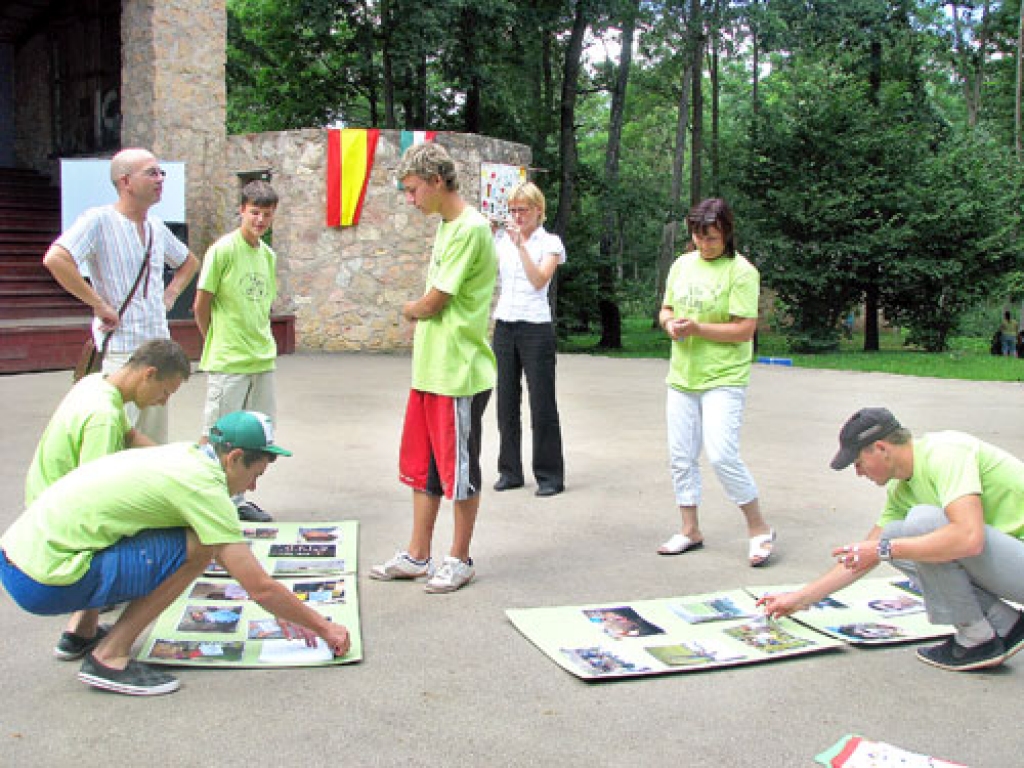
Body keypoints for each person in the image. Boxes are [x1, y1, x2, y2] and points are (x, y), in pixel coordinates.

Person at [0, 411, 351, 696]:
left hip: (16, 557)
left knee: (136, 528)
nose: (253, 487)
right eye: (255, 474)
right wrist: (325, 628)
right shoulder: (205, 488)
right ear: (234, 458)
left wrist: (284, 610)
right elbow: (258, 586)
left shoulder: (183, 456)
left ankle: (82, 632)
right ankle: (109, 656)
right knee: (201, 546)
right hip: (44, 581)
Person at [759, 407, 1024, 672]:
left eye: (858, 463)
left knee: (918, 525)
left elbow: (969, 538)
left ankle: (977, 640)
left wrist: (885, 549)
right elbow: (861, 557)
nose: (859, 473)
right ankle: (1003, 624)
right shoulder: (901, 490)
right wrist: (798, 599)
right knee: (896, 535)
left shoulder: (946, 452)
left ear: (881, 448)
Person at [369, 142, 497, 594]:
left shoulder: (470, 229)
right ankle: (417, 554)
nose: (410, 199)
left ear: (438, 182)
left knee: (459, 469)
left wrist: (408, 309)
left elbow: (435, 300)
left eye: (413, 190)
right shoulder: (446, 225)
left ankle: (459, 558)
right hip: (431, 371)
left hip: (459, 372)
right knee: (425, 469)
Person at [23, 338, 191, 661]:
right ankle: (88, 634)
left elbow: (130, 436)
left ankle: (82, 630)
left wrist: (178, 459)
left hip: (45, 499)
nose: (162, 402)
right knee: (177, 538)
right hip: (59, 521)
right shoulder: (103, 416)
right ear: (149, 374)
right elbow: (96, 498)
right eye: (165, 392)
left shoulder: (96, 385)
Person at [42, 147, 199, 443]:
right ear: (125, 181)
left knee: (153, 441)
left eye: (161, 172)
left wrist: (172, 292)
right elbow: (56, 259)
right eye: (151, 173)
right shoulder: (98, 221)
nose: (160, 179)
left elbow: (189, 262)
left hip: (158, 347)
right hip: (123, 354)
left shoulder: (155, 227)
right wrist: (98, 304)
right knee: (118, 439)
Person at [655, 198, 775, 566]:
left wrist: (698, 329)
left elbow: (744, 330)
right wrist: (669, 324)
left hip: (724, 377)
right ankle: (690, 529)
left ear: (726, 234)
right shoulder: (682, 265)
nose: (704, 244)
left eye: (712, 238)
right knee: (681, 456)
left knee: (722, 454)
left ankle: (759, 529)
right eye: (698, 236)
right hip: (683, 377)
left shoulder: (741, 272)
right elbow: (666, 309)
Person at [194, 180, 281, 523]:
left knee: (255, 436)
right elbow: (202, 303)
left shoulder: (268, 255)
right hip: (229, 358)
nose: (260, 220)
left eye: (267, 214)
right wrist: (212, 340)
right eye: (254, 212)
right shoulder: (223, 250)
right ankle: (205, 499)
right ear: (242, 210)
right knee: (218, 434)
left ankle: (237, 498)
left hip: (261, 357)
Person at [490, 181, 566, 497]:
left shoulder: (550, 243)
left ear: (538, 210)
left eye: (523, 209)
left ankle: (549, 476)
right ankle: (510, 470)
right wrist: (487, 231)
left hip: (536, 327)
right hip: (505, 324)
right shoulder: (500, 240)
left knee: (542, 402)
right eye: (513, 210)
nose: (517, 215)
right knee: (506, 401)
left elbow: (538, 281)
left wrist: (521, 244)